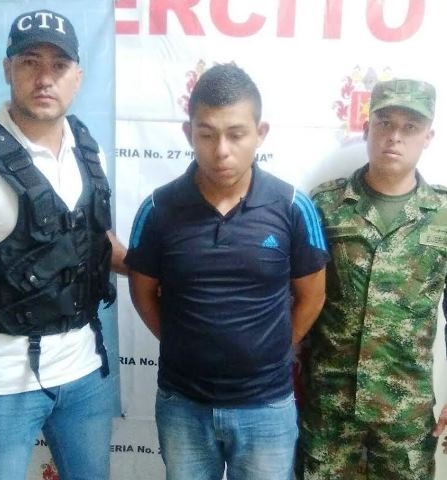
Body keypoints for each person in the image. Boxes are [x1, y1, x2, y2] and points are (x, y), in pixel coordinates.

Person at [124, 63, 329, 480]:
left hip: (266, 407)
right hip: (183, 405)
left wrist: (271, 350)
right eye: (207, 134)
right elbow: (142, 293)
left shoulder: (292, 207)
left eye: (236, 134)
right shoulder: (158, 209)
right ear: (188, 133)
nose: (221, 150)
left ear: (260, 133)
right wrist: (184, 342)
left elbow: (313, 296)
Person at [0, 9, 126, 480]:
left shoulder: (89, 149)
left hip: (84, 375)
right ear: (7, 68)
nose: (45, 78)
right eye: (30, 61)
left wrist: (168, 270)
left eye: (59, 65)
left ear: (78, 77)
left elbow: (95, 242)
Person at [297, 78, 447, 480]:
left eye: (410, 127)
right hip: (330, 410)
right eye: (385, 123)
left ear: (428, 137)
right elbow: (296, 295)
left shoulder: (443, 215)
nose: (394, 136)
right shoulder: (325, 204)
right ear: (366, 128)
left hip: (404, 414)